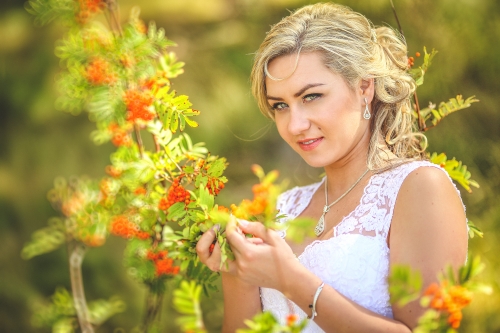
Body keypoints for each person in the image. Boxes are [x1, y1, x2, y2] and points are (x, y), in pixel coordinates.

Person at [196, 3, 468, 332]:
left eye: (311, 96)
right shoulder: (278, 209)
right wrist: (236, 271)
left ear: (364, 87)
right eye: (280, 105)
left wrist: (290, 280)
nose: (295, 125)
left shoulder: (419, 188)